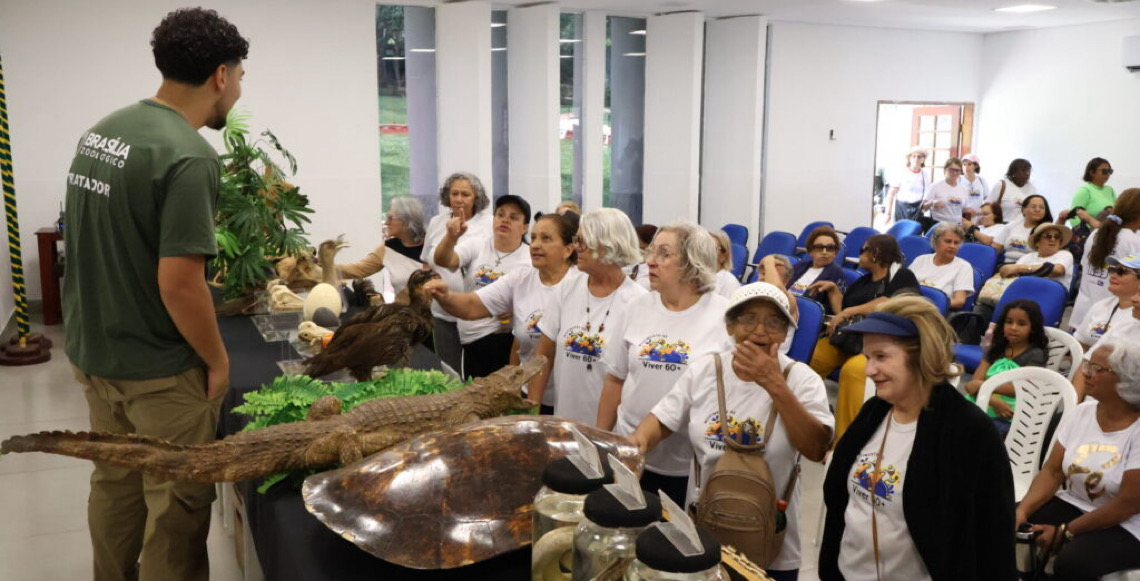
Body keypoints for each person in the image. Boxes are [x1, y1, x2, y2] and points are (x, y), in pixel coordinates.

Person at [60, 9, 247, 581]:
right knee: (176, 507)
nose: (239, 90)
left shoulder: (105, 131)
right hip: (159, 372)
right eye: (240, 76)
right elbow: (179, 281)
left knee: (115, 486)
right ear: (220, 74)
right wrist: (217, 360)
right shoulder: (189, 156)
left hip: (97, 355)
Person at [629, 282, 834, 580]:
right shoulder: (704, 371)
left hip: (773, 544)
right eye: (748, 318)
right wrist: (637, 444)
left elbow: (816, 449)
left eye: (774, 322)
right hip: (703, 534)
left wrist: (774, 384)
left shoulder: (803, 380)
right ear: (729, 326)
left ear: (786, 332)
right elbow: (662, 419)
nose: (760, 330)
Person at [819, 296, 1016, 581]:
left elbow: (994, 541)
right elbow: (840, 503)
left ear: (922, 354)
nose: (869, 369)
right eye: (868, 357)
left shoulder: (970, 432)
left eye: (881, 357)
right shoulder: (873, 412)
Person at [599, 222, 731, 505]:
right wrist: (603, 441)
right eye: (651, 251)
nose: (650, 261)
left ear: (692, 262)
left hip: (687, 463)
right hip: (630, 450)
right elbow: (615, 378)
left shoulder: (723, 316)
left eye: (663, 254)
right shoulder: (636, 307)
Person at [427, 211, 579, 410]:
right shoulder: (521, 279)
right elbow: (472, 305)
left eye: (546, 238)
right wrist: (444, 296)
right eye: (533, 238)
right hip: (529, 396)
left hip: (570, 401)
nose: (535, 245)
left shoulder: (580, 285)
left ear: (567, 250)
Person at [1016, 339, 1140, 580]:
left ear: (1127, 379)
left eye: (1098, 369)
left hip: (1128, 523)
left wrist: (1064, 532)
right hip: (1076, 503)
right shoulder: (1082, 412)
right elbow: (1052, 471)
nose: (1086, 373)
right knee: (1011, 526)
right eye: (1087, 365)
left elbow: (1128, 503)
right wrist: (1023, 509)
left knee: (1073, 562)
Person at [528, 208, 647, 425]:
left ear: (608, 245)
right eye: (576, 239)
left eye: (583, 241)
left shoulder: (638, 302)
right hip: (564, 425)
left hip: (609, 430)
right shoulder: (567, 289)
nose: (576, 247)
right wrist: (532, 410)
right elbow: (543, 356)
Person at [810, 234, 920, 441]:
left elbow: (893, 303)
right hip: (849, 339)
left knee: (853, 371)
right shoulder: (863, 280)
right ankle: (810, 419)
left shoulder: (902, 276)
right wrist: (834, 291)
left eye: (863, 250)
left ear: (876, 253)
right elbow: (842, 310)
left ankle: (843, 441)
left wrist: (849, 312)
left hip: (882, 345)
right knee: (813, 357)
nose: (859, 255)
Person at [433, 194, 532, 378]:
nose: (505, 220)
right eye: (500, 214)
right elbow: (443, 260)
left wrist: (517, 308)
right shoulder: (478, 244)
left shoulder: (529, 258)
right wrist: (450, 238)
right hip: (472, 337)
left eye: (513, 217)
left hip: (507, 339)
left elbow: (539, 298)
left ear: (525, 227)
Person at [421, 172, 493, 373]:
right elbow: (427, 263)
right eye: (454, 194)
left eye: (465, 194)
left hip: (479, 315)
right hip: (442, 313)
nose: (459, 199)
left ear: (476, 198)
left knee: (478, 372)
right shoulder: (437, 222)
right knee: (448, 370)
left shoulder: (488, 224)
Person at [963, 300, 1048, 437]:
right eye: (1009, 322)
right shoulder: (996, 349)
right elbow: (972, 384)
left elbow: (1023, 388)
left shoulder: (1034, 354)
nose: (1013, 327)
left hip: (1009, 415)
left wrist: (984, 386)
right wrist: (992, 399)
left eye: (1021, 324)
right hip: (983, 402)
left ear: (1033, 328)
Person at [1070, 188, 1140, 330]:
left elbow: (1085, 266)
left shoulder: (1096, 233)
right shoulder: (1133, 241)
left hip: (1083, 313)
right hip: (1111, 318)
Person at [338, 196, 427, 294]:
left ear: (406, 221)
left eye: (390, 218)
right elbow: (358, 270)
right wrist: (325, 266)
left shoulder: (432, 246)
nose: (386, 222)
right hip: (402, 308)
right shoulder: (387, 248)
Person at [1075, 255, 1140, 351]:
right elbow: (1079, 344)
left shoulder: (1138, 315)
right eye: (1112, 270)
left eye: (1122, 272)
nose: (1113, 275)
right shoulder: (1101, 305)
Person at [908, 222, 975, 310]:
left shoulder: (964, 267)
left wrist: (929, 306)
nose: (952, 246)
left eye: (956, 243)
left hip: (935, 312)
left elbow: (959, 301)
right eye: (948, 241)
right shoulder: (921, 260)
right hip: (909, 305)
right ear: (935, 241)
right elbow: (904, 287)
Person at [998, 222, 1075, 291]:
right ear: (1037, 242)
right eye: (1048, 236)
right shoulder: (1027, 257)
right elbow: (1010, 273)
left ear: (1060, 242)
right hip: (1023, 291)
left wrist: (1020, 268)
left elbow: (1057, 270)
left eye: (1057, 236)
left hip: (1047, 295)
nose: (1053, 239)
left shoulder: (1065, 254)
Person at [789, 225, 846, 316]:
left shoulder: (836, 273)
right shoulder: (799, 266)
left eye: (830, 248)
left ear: (835, 252)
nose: (824, 252)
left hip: (806, 315)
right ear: (811, 251)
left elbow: (839, 310)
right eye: (819, 247)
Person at [994, 194, 1055, 265]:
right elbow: (995, 249)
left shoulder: (1047, 230)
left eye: (1041, 207)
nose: (1037, 210)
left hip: (1030, 268)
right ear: (1023, 210)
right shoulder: (1011, 226)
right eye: (1033, 206)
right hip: (1006, 266)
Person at [1067, 157, 1116, 230]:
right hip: (1089, 235)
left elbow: (1117, 212)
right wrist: (1087, 233)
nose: (1107, 174)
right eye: (1104, 171)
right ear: (1092, 172)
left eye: (1109, 171)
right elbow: (1073, 217)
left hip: (1107, 233)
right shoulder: (1084, 191)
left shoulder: (1110, 190)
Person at [885, 146, 929, 223]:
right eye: (913, 156)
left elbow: (926, 193)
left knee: (916, 233)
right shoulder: (902, 173)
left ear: (923, 159)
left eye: (919, 157)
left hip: (917, 209)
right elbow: (891, 194)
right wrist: (888, 213)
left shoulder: (925, 174)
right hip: (902, 209)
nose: (916, 159)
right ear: (909, 158)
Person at [988, 158, 1039, 223]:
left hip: (1023, 227)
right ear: (1013, 172)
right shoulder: (1002, 185)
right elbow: (988, 206)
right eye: (1023, 170)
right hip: (1002, 226)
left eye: (1028, 170)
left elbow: (1037, 208)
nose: (1027, 174)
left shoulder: (1032, 188)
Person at [921, 158, 969, 224]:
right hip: (938, 225)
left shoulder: (963, 189)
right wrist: (932, 203)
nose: (955, 173)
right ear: (945, 170)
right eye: (951, 170)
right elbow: (923, 207)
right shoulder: (935, 186)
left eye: (957, 170)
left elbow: (964, 209)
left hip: (957, 225)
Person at [710, 230, 742, 299]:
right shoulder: (697, 278)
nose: (706, 252)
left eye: (712, 248)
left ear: (723, 256)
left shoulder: (730, 283)